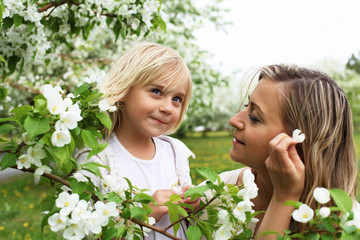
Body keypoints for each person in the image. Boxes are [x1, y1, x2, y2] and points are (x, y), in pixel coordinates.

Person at [218, 64, 359, 238]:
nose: (234, 120)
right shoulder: (216, 194)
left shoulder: (349, 225)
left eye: (255, 117)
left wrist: (283, 198)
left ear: (298, 142)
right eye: (247, 105)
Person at [75, 42, 198, 239]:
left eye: (177, 99)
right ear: (124, 90)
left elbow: (183, 221)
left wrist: (192, 204)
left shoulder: (175, 152)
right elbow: (87, 231)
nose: (168, 107)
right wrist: (145, 213)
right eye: (156, 91)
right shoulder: (97, 157)